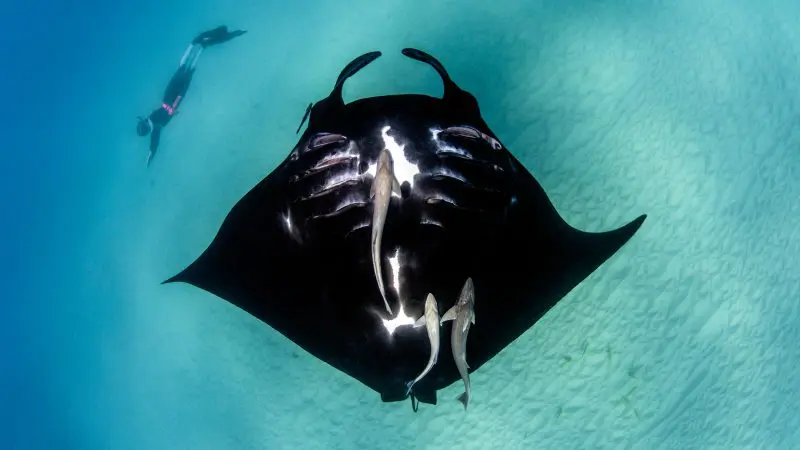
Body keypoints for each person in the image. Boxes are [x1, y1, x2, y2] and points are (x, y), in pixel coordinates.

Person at [136, 26, 247, 166]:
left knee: (188, 67)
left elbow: (154, 143)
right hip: (173, 93)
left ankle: (207, 42)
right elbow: (154, 142)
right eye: (144, 123)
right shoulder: (155, 125)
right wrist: (150, 154)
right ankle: (204, 41)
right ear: (146, 126)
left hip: (176, 94)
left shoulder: (155, 125)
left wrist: (150, 155)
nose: (145, 120)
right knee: (185, 65)